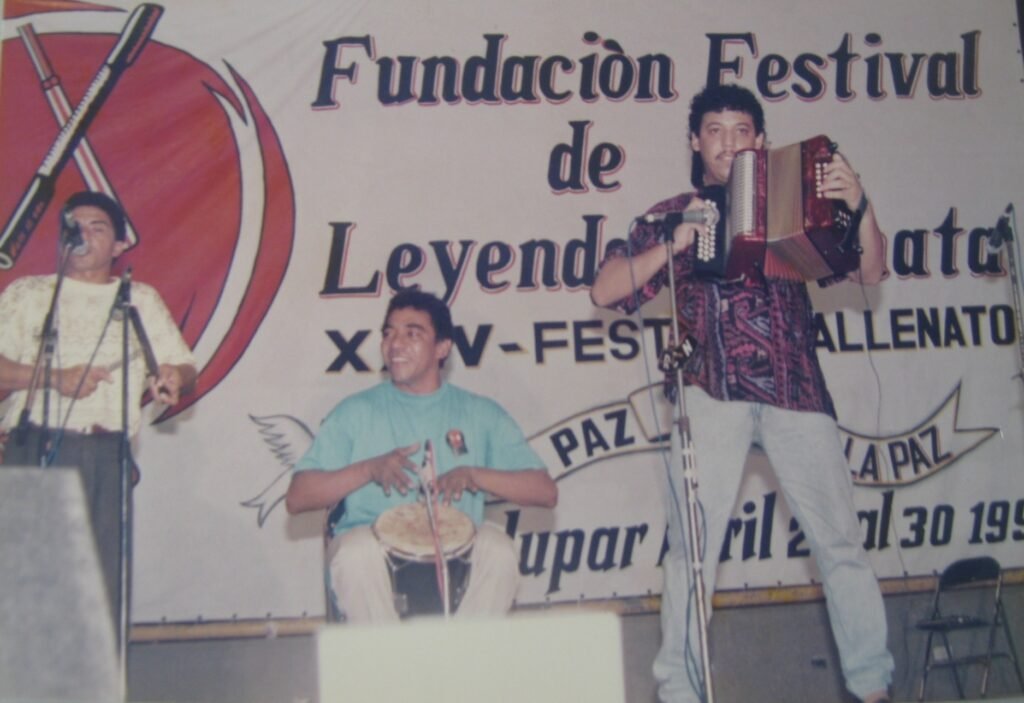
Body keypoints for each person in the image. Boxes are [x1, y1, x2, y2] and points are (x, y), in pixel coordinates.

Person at [591, 84, 894, 703]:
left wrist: (860, 202)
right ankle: (680, 691)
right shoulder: (671, 212)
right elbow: (605, 290)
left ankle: (873, 686)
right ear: (695, 141)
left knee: (840, 543)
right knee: (693, 553)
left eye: (740, 130)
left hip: (797, 392)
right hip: (709, 391)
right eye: (714, 130)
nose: (728, 142)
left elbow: (869, 270)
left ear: (761, 139)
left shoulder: (795, 203)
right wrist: (669, 246)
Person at [285, 289, 557, 622]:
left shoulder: (480, 412)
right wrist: (369, 469)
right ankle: (397, 672)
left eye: (412, 333)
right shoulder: (354, 411)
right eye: (389, 333)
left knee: (499, 549)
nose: (395, 344)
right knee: (354, 554)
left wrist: (474, 475)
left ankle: (460, 660)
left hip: (458, 550)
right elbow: (298, 498)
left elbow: (545, 491)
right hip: (375, 549)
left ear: (442, 348)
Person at [0, 190, 197, 630]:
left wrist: (175, 376)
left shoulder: (138, 299)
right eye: (75, 227)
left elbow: (185, 366)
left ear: (121, 244)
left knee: (99, 594)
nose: (84, 235)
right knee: (30, 591)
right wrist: (52, 377)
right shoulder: (28, 295)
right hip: (36, 445)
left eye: (97, 227)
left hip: (106, 455)